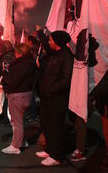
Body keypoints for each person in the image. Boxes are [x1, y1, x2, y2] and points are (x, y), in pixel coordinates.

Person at [35, 30, 74, 166]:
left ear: (57, 42)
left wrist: (52, 89)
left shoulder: (66, 56)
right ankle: (50, 150)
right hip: (47, 96)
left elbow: (66, 78)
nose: (49, 42)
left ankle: (57, 156)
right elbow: (46, 44)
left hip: (57, 98)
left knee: (55, 126)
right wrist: (40, 33)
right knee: (46, 124)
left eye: (51, 40)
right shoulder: (55, 53)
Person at [1, 44, 36, 154]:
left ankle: (15, 146)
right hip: (27, 94)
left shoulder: (18, 65)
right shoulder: (31, 63)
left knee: (16, 122)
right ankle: (21, 141)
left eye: (15, 52)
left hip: (17, 95)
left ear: (19, 53)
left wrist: (5, 72)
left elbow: (13, 81)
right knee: (20, 120)